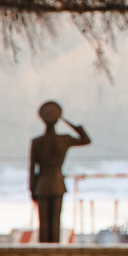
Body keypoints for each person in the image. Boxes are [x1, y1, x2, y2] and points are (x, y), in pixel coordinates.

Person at [27, 101, 90, 244]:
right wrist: (71, 124)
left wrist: (32, 188)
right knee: (55, 222)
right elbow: (86, 140)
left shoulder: (37, 142)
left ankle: (44, 249)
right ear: (57, 120)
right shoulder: (64, 139)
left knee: (43, 224)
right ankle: (55, 248)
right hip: (57, 183)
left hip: (42, 184)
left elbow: (32, 169)